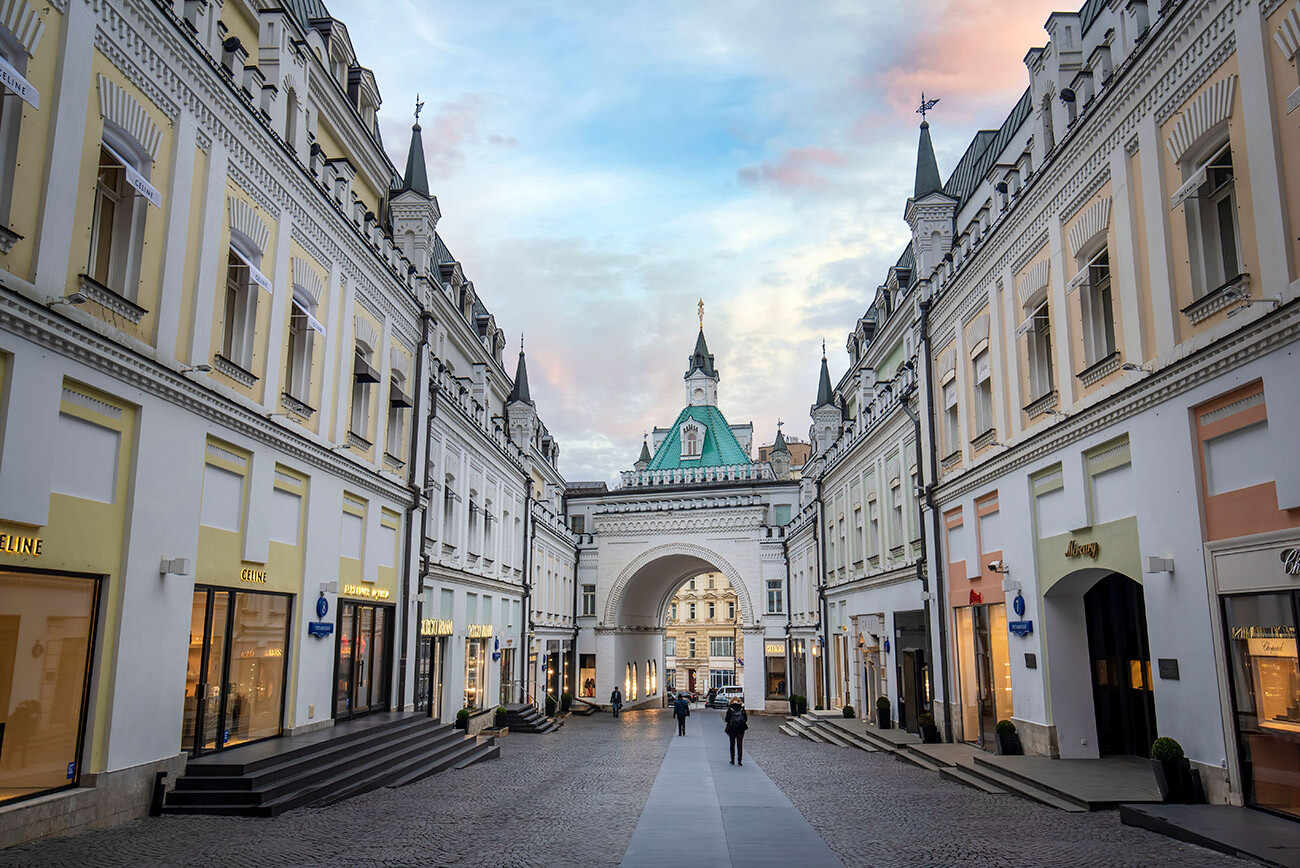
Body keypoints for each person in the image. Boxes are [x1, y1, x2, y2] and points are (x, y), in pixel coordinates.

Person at [724, 696, 748, 765]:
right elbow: (745, 719)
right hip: (740, 728)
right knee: (739, 744)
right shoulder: (742, 709)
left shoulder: (730, 709)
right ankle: (739, 760)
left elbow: (726, 719)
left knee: (732, 744)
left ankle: (732, 759)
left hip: (732, 728)